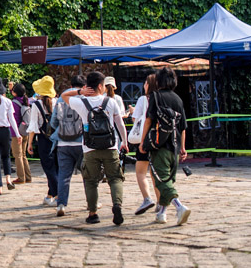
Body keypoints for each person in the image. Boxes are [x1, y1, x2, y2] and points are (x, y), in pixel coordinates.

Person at [60, 71, 129, 225]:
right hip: (110, 147)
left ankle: (93, 213)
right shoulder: (110, 102)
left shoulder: (81, 103)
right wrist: (124, 141)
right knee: (115, 178)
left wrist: (79, 92)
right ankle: (117, 205)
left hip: (89, 148)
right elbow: (120, 124)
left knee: (91, 181)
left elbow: (64, 96)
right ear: (100, 86)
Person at [139, 67, 191, 226]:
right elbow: (183, 127)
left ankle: (180, 207)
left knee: (161, 181)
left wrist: (142, 142)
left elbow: (148, 120)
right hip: (174, 146)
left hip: (159, 145)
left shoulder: (155, 96)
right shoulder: (178, 99)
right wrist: (182, 147)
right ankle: (161, 213)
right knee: (167, 179)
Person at [51, 74, 86, 216]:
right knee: (88, 175)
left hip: (63, 143)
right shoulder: (85, 99)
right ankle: (92, 203)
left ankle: (61, 205)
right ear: (84, 87)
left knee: (64, 175)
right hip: (82, 143)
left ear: (71, 86)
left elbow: (53, 122)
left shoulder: (61, 99)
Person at [127, 72, 159, 215]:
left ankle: (147, 198)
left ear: (149, 85)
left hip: (144, 139)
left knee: (141, 172)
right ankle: (160, 202)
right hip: (158, 139)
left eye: (146, 83)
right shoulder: (161, 98)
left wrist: (134, 112)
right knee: (155, 173)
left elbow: (136, 120)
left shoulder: (142, 99)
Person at [26, 76, 59, 207]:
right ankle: (50, 194)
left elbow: (33, 126)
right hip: (57, 139)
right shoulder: (58, 102)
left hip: (44, 139)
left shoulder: (36, 105)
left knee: (48, 168)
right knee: (56, 167)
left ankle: (57, 195)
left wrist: (29, 143)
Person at [10, 83, 32, 184]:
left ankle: (21, 177)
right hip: (25, 130)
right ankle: (28, 176)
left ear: (15, 93)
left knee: (17, 155)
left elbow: (13, 118)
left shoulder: (14, 103)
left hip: (16, 132)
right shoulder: (25, 101)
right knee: (23, 155)